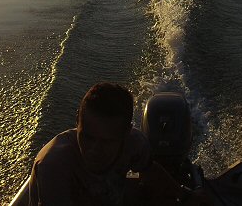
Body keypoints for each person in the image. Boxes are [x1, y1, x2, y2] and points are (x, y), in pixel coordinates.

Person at [23, 82, 208, 206]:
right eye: (87, 136)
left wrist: (186, 196)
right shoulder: (54, 166)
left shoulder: (134, 144)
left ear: (126, 133)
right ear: (77, 123)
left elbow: (151, 172)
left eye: (107, 141)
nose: (94, 149)